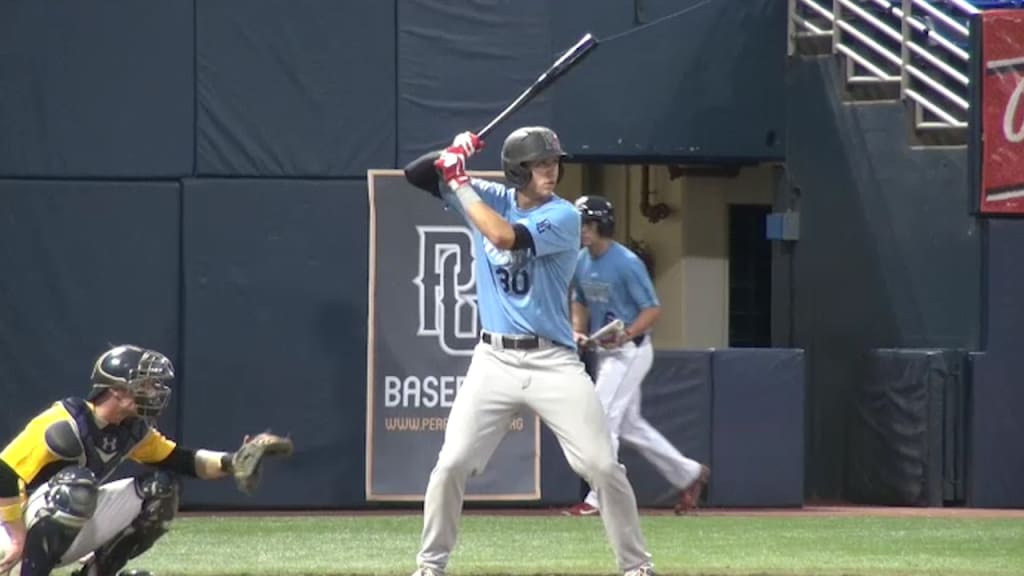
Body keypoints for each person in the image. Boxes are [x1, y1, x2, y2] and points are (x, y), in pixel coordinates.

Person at [407, 128, 657, 576]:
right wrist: (451, 151)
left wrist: (460, 180)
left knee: (601, 465)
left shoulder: (562, 216)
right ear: (518, 169)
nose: (551, 170)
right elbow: (417, 174)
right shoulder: (489, 196)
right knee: (451, 464)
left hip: (552, 362)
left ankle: (636, 566)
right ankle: (430, 566)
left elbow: (503, 237)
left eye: (554, 162)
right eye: (541, 163)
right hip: (493, 361)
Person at [0, 344, 279, 576]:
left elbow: (181, 460)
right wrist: (16, 536)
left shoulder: (130, 430)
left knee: (161, 488)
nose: (154, 391)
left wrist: (233, 462)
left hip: (45, 522)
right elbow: (3, 472)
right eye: (144, 384)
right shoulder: (64, 423)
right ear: (117, 389)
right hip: (9, 532)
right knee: (76, 487)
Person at [563, 196, 709, 517]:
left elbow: (653, 309)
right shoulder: (581, 261)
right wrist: (578, 329)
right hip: (604, 350)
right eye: (581, 225)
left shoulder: (627, 263)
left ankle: (600, 497)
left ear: (602, 225)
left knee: (601, 417)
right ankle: (689, 473)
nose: (584, 231)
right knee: (630, 425)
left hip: (631, 352)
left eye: (588, 224)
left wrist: (626, 334)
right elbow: (579, 298)